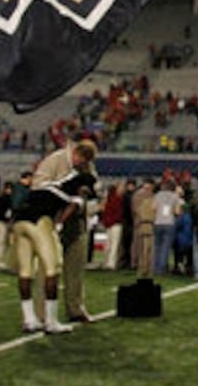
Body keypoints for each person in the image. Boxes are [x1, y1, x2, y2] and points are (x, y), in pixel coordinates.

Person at [9, 166, 96, 334]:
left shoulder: (48, 185)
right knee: (52, 269)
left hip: (19, 222)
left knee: (25, 272)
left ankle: (28, 319)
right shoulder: (75, 195)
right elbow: (70, 209)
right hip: (39, 222)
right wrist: (58, 224)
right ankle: (51, 321)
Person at [32, 139, 99, 323]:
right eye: (82, 161)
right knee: (47, 269)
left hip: (77, 222)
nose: (84, 166)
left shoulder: (87, 167)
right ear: (75, 153)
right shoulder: (55, 160)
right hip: (52, 221)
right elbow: (38, 186)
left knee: (76, 268)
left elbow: (93, 190)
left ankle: (76, 308)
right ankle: (41, 313)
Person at [99, 180, 126, 271]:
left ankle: (106, 262)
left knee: (108, 244)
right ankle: (111, 263)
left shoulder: (108, 198)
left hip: (108, 223)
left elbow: (103, 209)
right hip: (116, 223)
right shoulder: (118, 199)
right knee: (114, 244)